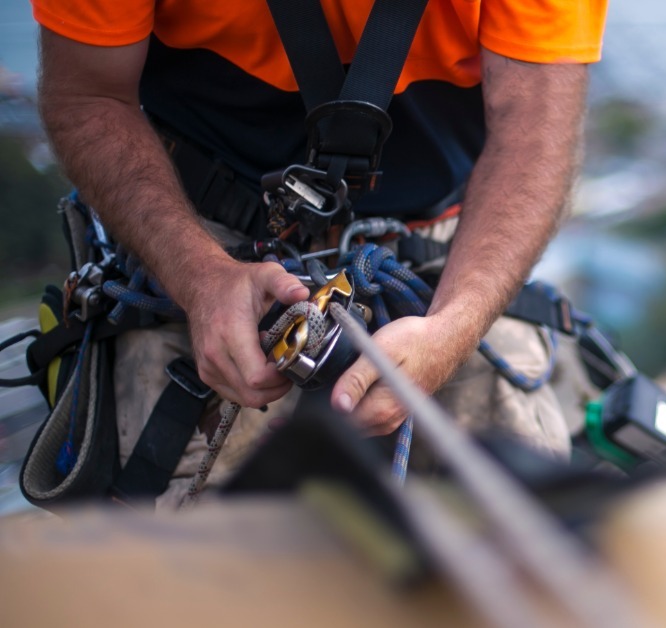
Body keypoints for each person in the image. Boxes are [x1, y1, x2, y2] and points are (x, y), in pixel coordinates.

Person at [31, 0, 606, 508]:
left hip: (445, 254)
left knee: (528, 515)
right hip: (200, 233)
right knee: (178, 546)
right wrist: (199, 275)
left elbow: (532, 138)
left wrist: (455, 327)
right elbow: (89, 94)